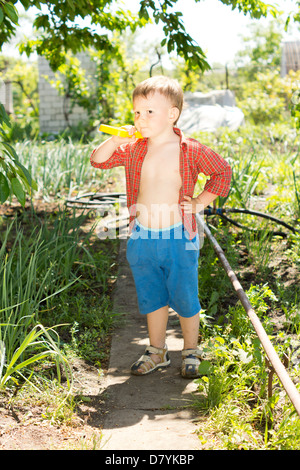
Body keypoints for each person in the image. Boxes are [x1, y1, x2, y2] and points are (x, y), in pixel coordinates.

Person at [90, 75, 231, 378]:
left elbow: (222, 171)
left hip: (179, 237)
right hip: (142, 236)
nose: (141, 119)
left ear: (172, 114)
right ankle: (157, 351)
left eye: (149, 112)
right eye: (137, 112)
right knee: (152, 296)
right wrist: (115, 140)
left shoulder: (189, 149)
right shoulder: (134, 149)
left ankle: (191, 349)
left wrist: (200, 202)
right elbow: (98, 161)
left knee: (184, 296)